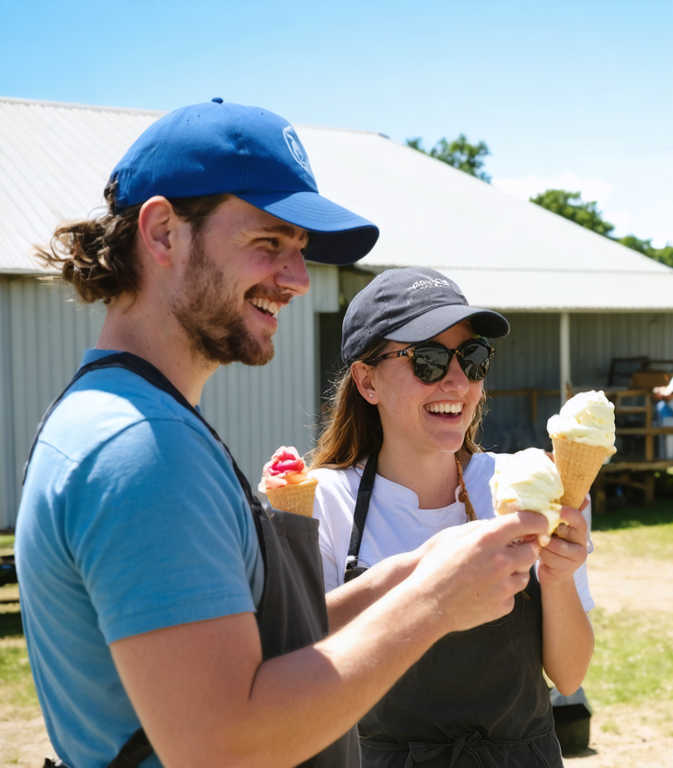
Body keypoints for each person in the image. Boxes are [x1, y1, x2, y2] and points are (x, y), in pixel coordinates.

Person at [16, 101, 548, 768]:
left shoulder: (115, 414)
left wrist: (422, 567)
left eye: (300, 250)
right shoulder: (143, 447)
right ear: (162, 233)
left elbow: (264, 654)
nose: (296, 279)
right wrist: (433, 602)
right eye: (268, 242)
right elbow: (223, 746)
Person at [307, 268, 594, 767]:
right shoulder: (325, 502)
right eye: (429, 359)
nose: (458, 381)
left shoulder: (525, 484)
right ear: (366, 380)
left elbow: (569, 678)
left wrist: (558, 576)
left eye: (474, 357)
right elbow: (302, 671)